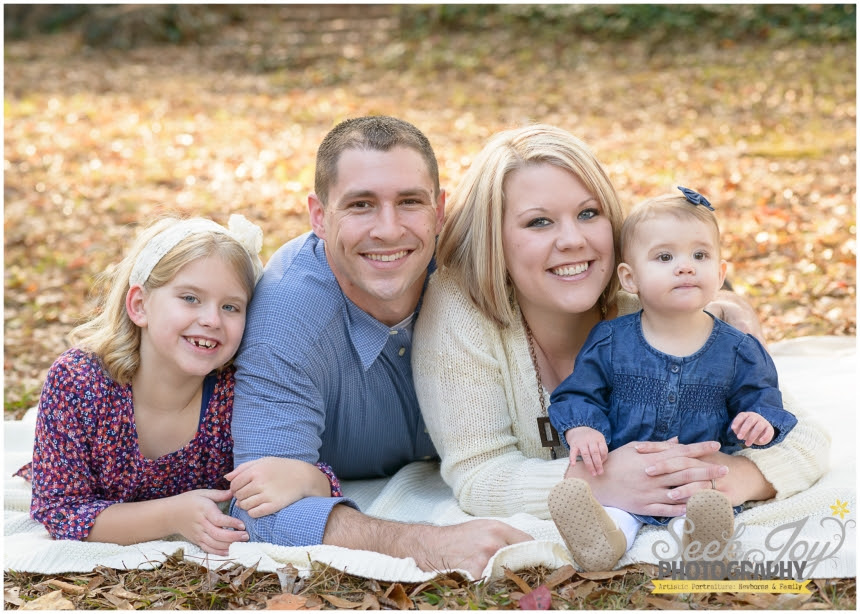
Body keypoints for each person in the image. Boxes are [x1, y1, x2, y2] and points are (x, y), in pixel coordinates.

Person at [411, 124, 829, 566]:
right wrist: (595, 483)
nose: (573, 240)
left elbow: (804, 438)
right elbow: (479, 475)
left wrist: (723, 478)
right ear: (493, 238)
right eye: (539, 221)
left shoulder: (653, 309)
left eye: (589, 213)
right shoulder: (463, 310)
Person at [230, 115, 532, 579]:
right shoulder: (286, 319)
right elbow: (258, 508)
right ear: (318, 216)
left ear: (440, 210)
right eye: (361, 205)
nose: (388, 230)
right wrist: (425, 544)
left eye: (410, 202)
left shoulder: (481, 272)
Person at [17, 214, 341, 556]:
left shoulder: (237, 392)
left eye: (231, 306)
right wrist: (172, 516)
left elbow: (290, 474)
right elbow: (61, 511)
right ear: (139, 305)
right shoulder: (78, 383)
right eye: (190, 298)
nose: (212, 320)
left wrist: (308, 479)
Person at [545, 188, 798, 571]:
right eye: (665, 257)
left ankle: (703, 542)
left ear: (720, 273)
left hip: (698, 479)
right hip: (626, 481)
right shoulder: (610, 341)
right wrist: (582, 427)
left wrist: (760, 419)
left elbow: (762, 395)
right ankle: (602, 541)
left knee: (700, 510)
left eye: (700, 255)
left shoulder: (738, 349)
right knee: (615, 514)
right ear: (630, 278)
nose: (685, 267)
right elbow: (581, 393)